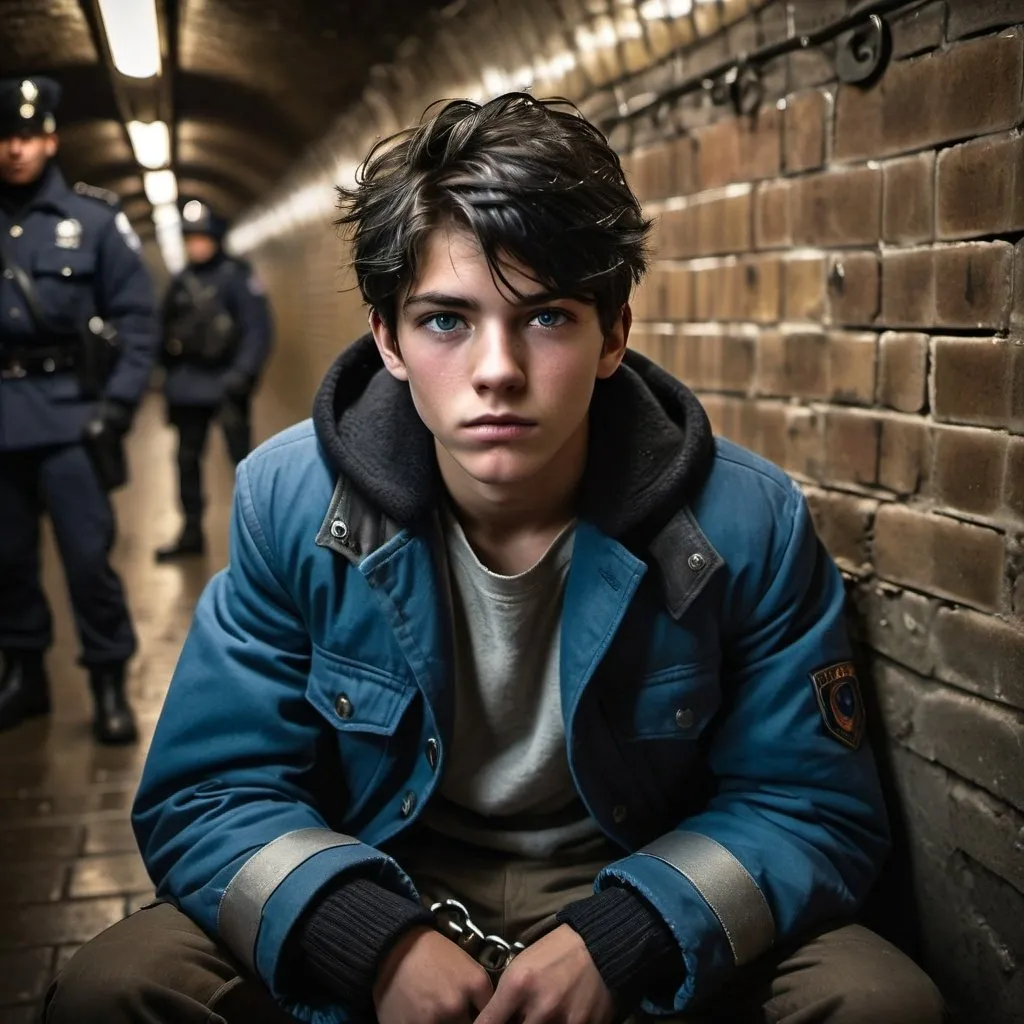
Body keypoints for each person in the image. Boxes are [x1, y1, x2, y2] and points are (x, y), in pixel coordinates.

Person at [47, 94, 948, 1023]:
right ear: (387, 339)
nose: (497, 369)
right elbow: (208, 791)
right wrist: (367, 936)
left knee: (879, 1002)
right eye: (447, 320)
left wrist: (630, 933)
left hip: (637, 877)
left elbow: (812, 806)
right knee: (113, 989)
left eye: (547, 317)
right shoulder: (294, 504)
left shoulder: (741, 522)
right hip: (381, 866)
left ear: (615, 335)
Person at [0, 75, 158, 745]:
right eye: (5, 137)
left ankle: (107, 682)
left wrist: (117, 406)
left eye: (28, 137)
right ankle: (24, 675)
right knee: (6, 562)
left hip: (71, 416)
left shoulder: (92, 220)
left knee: (88, 560)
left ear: (51, 139)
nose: (15, 150)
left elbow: (138, 318)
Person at [154, 197, 273, 561]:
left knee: (243, 463)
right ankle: (191, 530)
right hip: (187, 386)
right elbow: (162, 329)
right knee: (186, 460)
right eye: (191, 238)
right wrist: (165, 374)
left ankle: (258, 536)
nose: (197, 245)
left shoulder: (237, 277)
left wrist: (242, 373)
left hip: (225, 383)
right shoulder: (180, 281)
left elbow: (258, 329)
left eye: (202, 237)